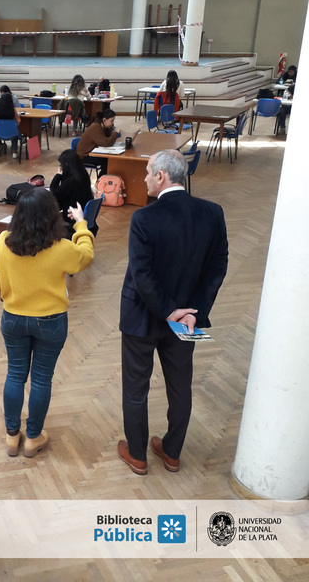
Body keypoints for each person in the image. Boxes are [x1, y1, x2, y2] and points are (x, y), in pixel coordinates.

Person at [117, 150, 228, 475]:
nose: (146, 178)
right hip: (188, 321)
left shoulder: (144, 218)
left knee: (136, 388)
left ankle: (137, 454)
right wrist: (193, 312)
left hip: (142, 318)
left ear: (162, 176)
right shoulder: (212, 213)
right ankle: (172, 452)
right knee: (180, 387)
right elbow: (217, 267)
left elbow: (143, 276)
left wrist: (169, 311)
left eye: (149, 172)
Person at [0, 188, 94, 458]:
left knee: (14, 374)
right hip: (51, 322)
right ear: (52, 216)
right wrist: (81, 223)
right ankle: (33, 437)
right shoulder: (61, 248)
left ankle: (12, 436)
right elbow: (86, 256)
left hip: (12, 318)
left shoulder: (3, 241)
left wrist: (11, 295)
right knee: (41, 380)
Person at [50, 149, 94, 234]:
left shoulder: (70, 181)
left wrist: (58, 176)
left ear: (66, 164)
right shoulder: (83, 174)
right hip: (81, 212)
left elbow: (53, 193)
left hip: (71, 216)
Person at [76, 108, 120, 177]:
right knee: (109, 161)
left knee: (111, 160)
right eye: (112, 121)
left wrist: (111, 130)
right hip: (85, 156)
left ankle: (102, 180)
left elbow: (108, 138)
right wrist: (116, 133)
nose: (113, 123)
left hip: (93, 152)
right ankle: (100, 182)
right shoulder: (95, 127)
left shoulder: (104, 126)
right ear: (104, 120)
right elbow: (106, 143)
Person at [0, 90, 21, 158]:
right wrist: (14, 126)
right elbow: (18, 121)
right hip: (12, 134)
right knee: (15, 132)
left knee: (11, 130)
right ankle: (14, 152)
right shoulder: (12, 110)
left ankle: (1, 145)